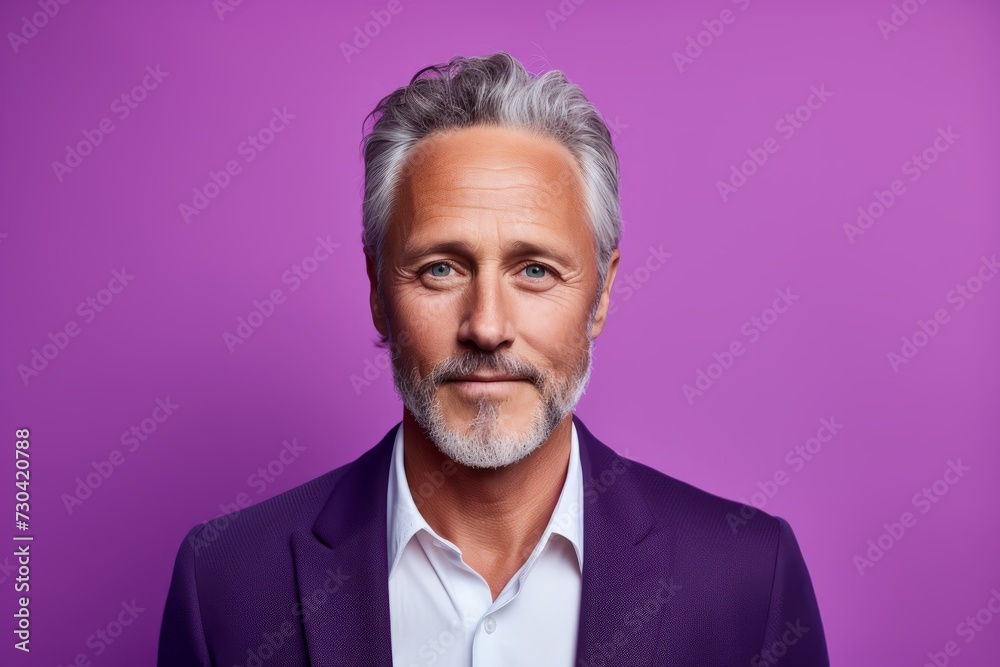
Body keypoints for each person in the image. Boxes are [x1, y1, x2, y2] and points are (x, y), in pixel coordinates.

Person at [158, 51, 829, 666]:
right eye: (441, 268)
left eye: (534, 270)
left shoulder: (747, 577)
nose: (486, 326)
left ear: (601, 293)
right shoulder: (225, 581)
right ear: (376, 290)